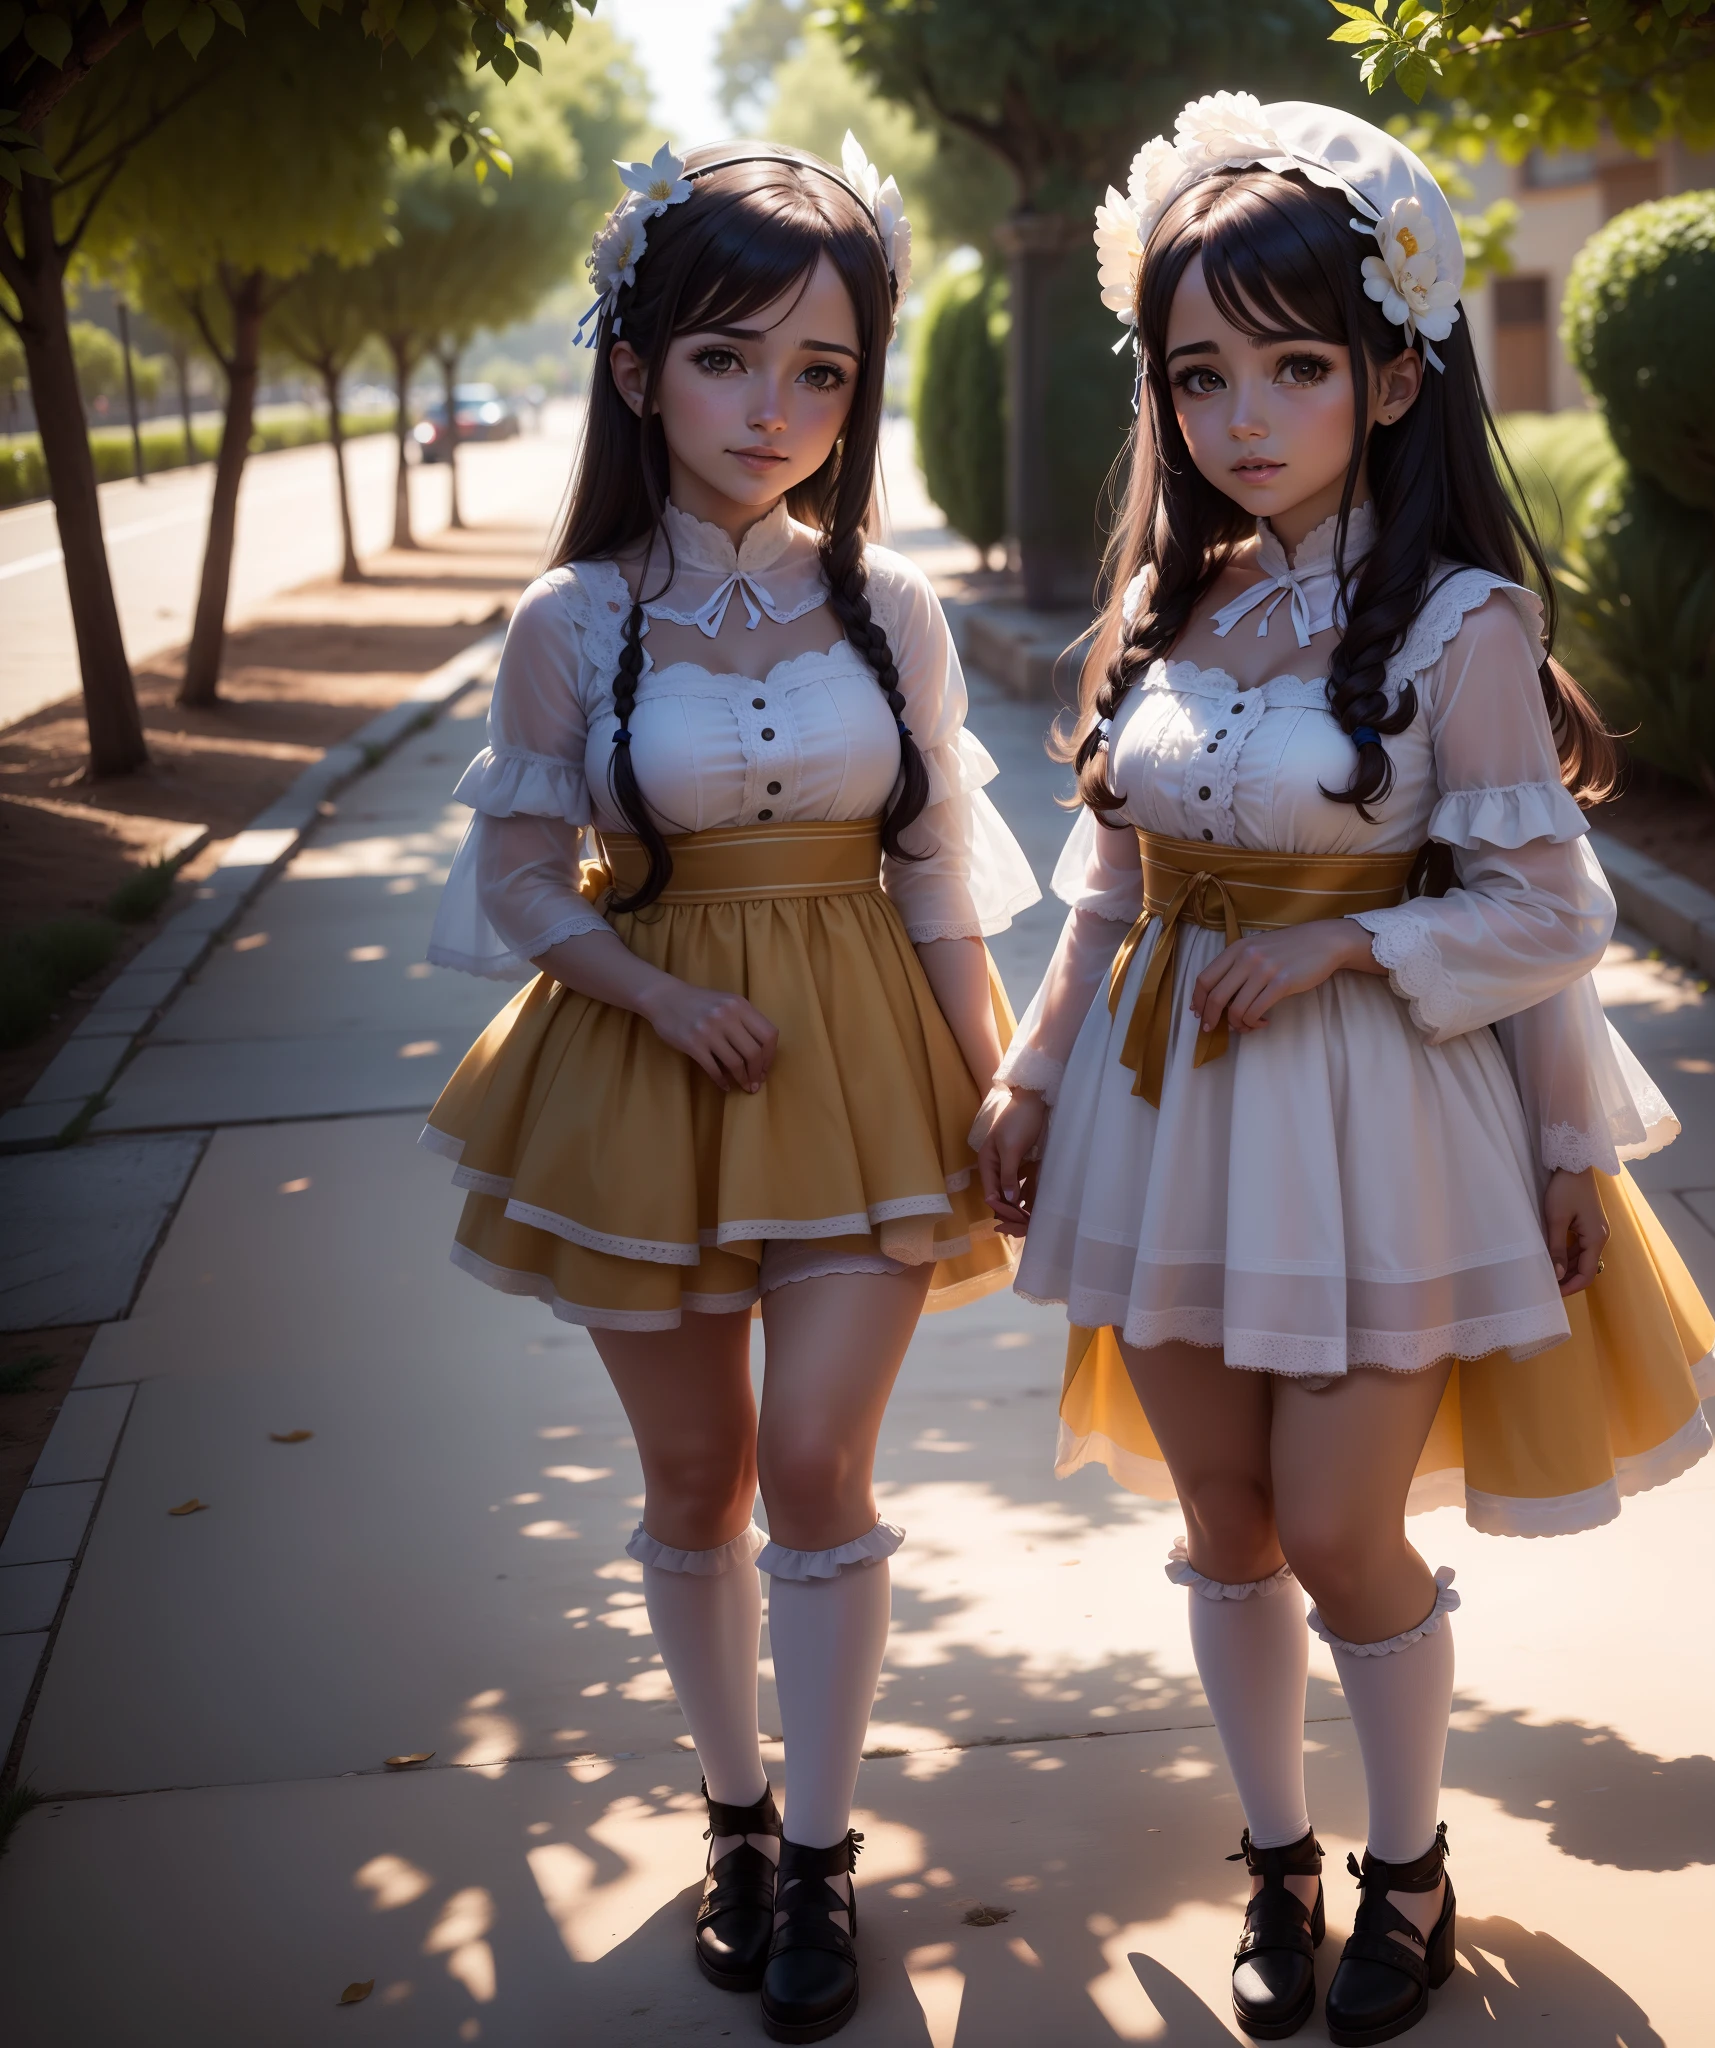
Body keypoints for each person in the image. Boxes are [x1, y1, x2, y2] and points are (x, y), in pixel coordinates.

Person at [976, 97, 1715, 2045]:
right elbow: (1110, 882)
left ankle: (1409, 1859)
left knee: (1333, 1523)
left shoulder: (1462, 619)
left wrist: (1347, 946)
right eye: (1199, 372)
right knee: (1219, 1521)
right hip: (1163, 1114)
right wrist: (1038, 1076)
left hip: (1379, 1113)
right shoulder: (1172, 599)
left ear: (1394, 376)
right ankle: (1277, 1859)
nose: (1242, 414)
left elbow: (1545, 906)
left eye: (1293, 366)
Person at [421, 136, 1038, 2044]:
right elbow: (516, 881)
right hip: (647, 1066)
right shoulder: (571, 624)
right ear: (635, 371)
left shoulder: (893, 605)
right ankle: (739, 1820)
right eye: (725, 359)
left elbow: (938, 874)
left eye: (823, 370)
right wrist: (643, 990)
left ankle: (829, 1857)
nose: (775, 410)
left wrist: (1006, 1087)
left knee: (812, 1463)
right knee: (690, 1475)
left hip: (857, 1061)